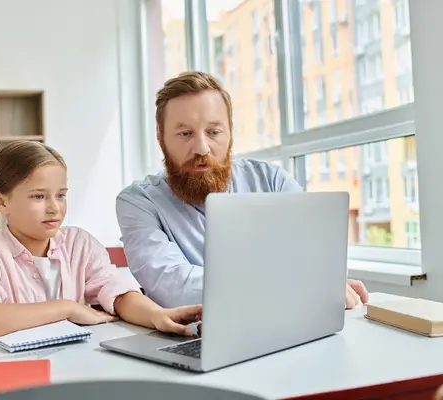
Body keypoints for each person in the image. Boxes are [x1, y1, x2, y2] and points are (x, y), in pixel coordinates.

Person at [116, 71, 369, 310]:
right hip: (193, 338)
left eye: (214, 132)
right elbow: (174, 289)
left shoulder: (271, 181)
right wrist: (300, 284)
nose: (202, 148)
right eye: (185, 133)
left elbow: (321, 259)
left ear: (230, 132)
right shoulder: (138, 202)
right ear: (161, 137)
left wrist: (314, 280)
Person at [0, 141, 202, 342]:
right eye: (39, 196)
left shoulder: (79, 243)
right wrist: (66, 308)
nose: (54, 208)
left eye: (61, 195)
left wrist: (157, 315)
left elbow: (118, 294)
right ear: (1, 202)